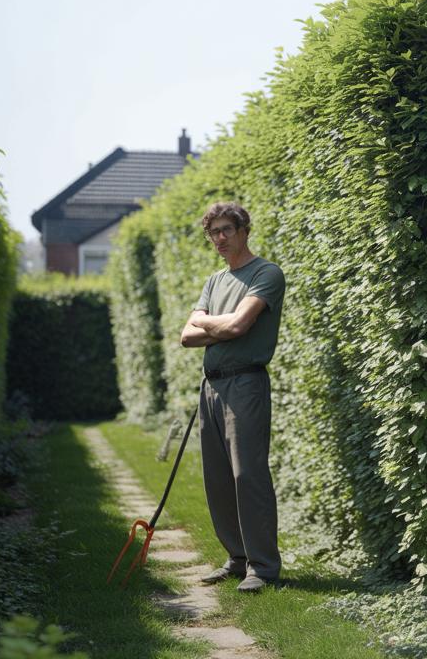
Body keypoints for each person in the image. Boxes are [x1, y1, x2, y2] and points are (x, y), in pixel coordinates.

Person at [180, 202, 285, 594]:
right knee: (218, 478)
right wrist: (220, 327)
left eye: (226, 230)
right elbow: (185, 336)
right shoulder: (214, 281)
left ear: (243, 230)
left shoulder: (266, 273)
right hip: (211, 385)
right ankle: (237, 558)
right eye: (213, 233)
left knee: (248, 474)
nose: (219, 238)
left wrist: (207, 321)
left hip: (246, 384)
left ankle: (263, 567)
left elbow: (241, 324)